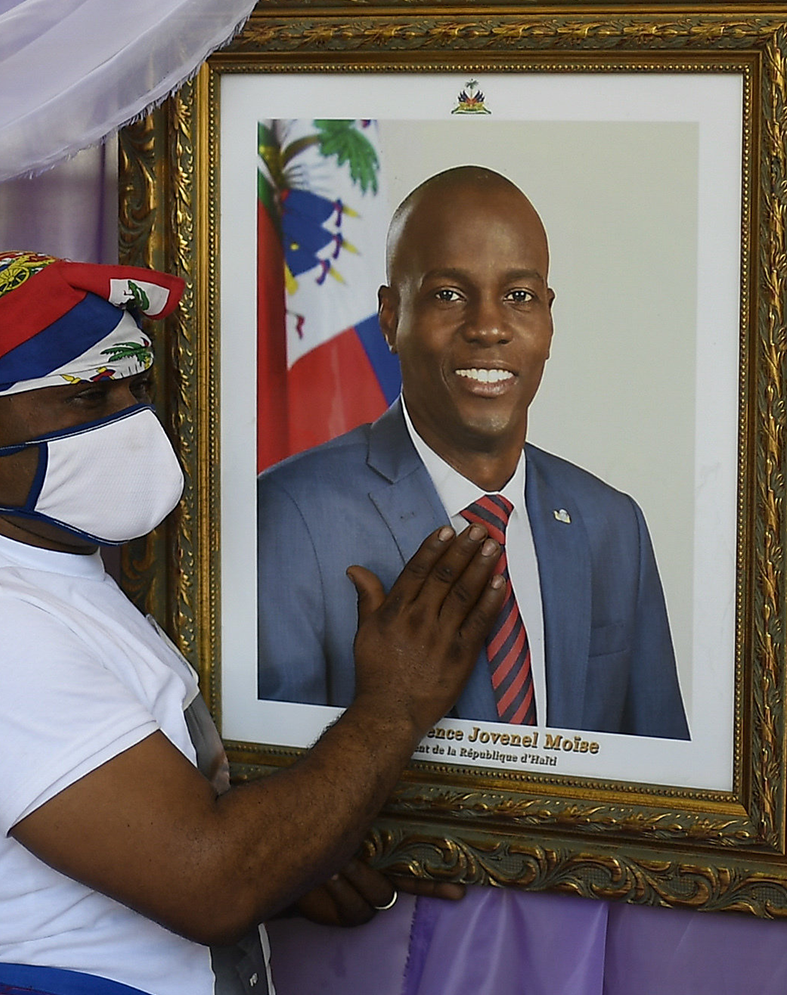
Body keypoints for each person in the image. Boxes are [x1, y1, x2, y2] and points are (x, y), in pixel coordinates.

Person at [0, 251, 504, 995]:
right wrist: (394, 706)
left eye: (136, 389)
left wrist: (286, 862)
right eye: (90, 399)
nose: (133, 424)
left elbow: (154, 853)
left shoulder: (35, 578)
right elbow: (209, 881)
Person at [257, 167, 690, 740]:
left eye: (518, 296)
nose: (489, 327)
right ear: (391, 318)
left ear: (549, 318)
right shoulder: (288, 517)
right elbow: (272, 796)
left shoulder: (614, 526)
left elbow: (658, 781)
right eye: (448, 295)